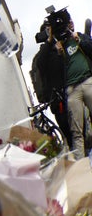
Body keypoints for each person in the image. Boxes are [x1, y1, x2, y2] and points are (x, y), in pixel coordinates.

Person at [49, 8, 92, 155]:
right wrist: (58, 52)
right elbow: (52, 71)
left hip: (87, 81)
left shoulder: (78, 36)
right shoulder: (58, 47)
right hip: (72, 90)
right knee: (76, 131)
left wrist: (79, 40)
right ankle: (82, 170)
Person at [30, 20, 73, 148]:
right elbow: (40, 63)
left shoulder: (61, 46)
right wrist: (49, 41)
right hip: (57, 100)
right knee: (69, 133)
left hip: (70, 92)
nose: (52, 33)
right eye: (48, 30)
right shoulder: (43, 52)